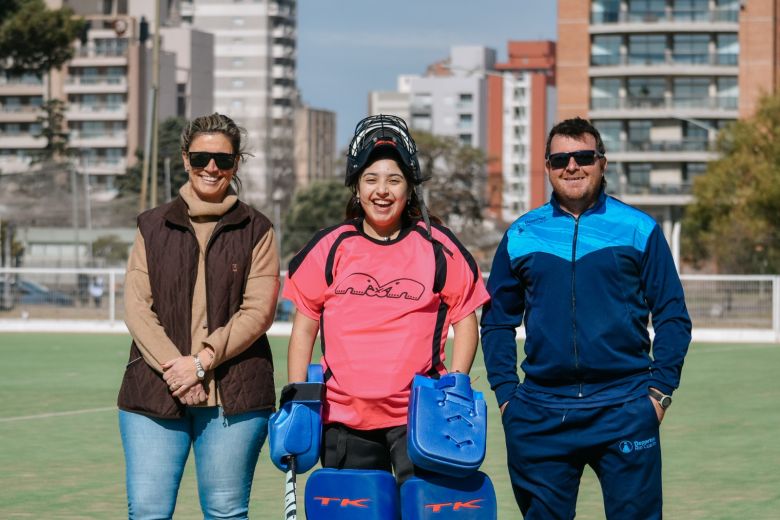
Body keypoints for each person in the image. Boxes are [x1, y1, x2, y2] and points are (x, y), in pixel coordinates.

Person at [480, 117, 692, 519]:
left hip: (626, 407)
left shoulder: (638, 229)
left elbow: (673, 315)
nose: (572, 166)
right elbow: (496, 322)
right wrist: (508, 397)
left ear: (602, 162)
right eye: (561, 158)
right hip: (540, 413)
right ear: (547, 167)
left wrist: (659, 393)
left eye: (583, 156)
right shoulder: (523, 234)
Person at [282, 114, 489, 483]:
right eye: (371, 179)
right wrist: (299, 399)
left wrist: (457, 384)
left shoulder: (439, 247)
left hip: (420, 419)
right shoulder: (330, 247)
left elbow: (465, 317)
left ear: (410, 189)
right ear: (356, 189)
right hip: (343, 419)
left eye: (394, 180)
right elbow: (305, 326)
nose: (382, 190)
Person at [117, 113, 280, 519]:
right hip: (155, 389)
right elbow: (137, 307)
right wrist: (178, 370)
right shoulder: (151, 225)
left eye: (223, 160)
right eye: (202, 157)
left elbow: (258, 311)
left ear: (237, 163)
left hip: (236, 395)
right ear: (186, 159)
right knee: (148, 512)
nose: (212, 168)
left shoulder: (258, 229)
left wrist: (201, 363)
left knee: (226, 512)